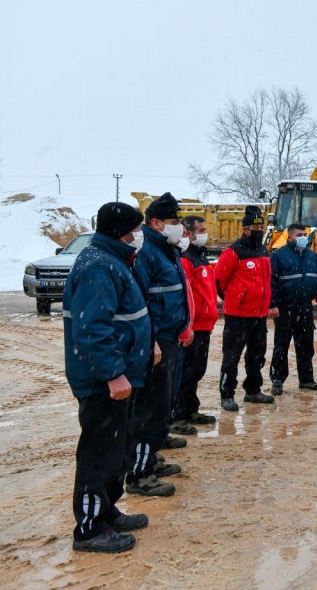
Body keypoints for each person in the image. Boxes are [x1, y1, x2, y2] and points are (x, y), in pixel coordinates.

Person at [63, 202, 152, 553]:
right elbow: (92, 328)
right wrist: (113, 374)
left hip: (120, 376)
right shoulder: (99, 265)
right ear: (120, 232)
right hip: (103, 380)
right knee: (99, 452)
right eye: (135, 229)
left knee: (116, 448)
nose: (139, 236)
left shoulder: (113, 259)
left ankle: (106, 510)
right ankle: (89, 528)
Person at [125, 192, 191, 498]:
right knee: (150, 409)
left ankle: (149, 458)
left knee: (162, 406)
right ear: (156, 223)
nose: (179, 227)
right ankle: (139, 474)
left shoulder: (167, 248)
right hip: (156, 341)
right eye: (173, 221)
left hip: (170, 338)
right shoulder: (148, 252)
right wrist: (150, 341)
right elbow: (141, 304)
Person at [215, 205, 275, 410]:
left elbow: (267, 281)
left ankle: (253, 390)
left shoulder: (263, 250)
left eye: (261, 226)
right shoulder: (233, 251)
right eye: (255, 227)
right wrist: (236, 299)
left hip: (259, 315)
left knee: (257, 355)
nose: (259, 229)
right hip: (238, 315)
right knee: (232, 356)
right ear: (245, 229)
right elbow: (219, 281)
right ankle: (227, 394)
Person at [269, 224, 317, 395]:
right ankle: (278, 380)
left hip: (305, 308)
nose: (303, 237)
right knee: (281, 346)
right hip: (285, 308)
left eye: (305, 234)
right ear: (290, 237)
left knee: (306, 346)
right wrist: (272, 304)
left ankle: (306, 380)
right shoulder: (279, 256)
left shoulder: (311, 256)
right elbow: (271, 281)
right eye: (299, 235)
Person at [171, 216, 219, 427]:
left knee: (196, 371)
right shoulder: (186, 258)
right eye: (200, 230)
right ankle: (178, 414)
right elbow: (185, 294)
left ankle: (191, 409)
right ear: (188, 233)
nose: (203, 233)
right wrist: (187, 324)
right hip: (192, 326)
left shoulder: (201, 256)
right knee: (185, 372)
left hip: (204, 325)